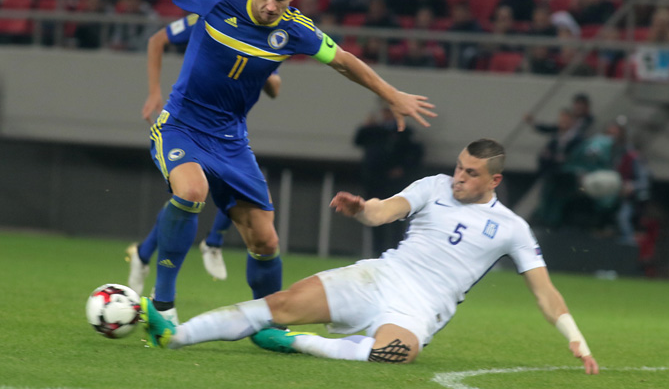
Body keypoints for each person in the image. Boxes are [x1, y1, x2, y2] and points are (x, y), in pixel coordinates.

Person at [61, 0, 436, 325]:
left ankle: (270, 325)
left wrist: (391, 94)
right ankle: (163, 306)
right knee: (191, 191)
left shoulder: (296, 30)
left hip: (231, 142)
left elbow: (343, 60)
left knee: (265, 241)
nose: (271, 6)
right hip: (182, 126)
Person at [138, 139, 600, 375]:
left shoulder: (513, 228)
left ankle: (295, 343)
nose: (459, 177)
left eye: (471, 173)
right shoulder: (433, 186)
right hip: (380, 277)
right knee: (279, 305)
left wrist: (575, 337)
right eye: (459, 167)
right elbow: (384, 212)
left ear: (494, 181)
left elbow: (545, 293)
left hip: (420, 309)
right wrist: (362, 209)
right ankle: (177, 336)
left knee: (393, 355)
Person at [129, 0, 281, 285]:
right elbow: (157, 39)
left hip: (229, 130)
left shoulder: (266, 31)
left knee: (238, 191)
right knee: (187, 196)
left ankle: (212, 243)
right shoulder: (210, 12)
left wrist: (258, 68)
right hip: (191, 125)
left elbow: (276, 87)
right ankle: (146, 256)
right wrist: (154, 91)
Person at [354, 104, 423, 256]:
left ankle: (396, 252)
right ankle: (376, 252)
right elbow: (358, 141)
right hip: (375, 181)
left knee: (396, 218)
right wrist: (366, 126)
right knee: (374, 216)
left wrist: (403, 169)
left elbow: (415, 154)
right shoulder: (374, 130)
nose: (386, 115)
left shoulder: (405, 132)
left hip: (395, 182)